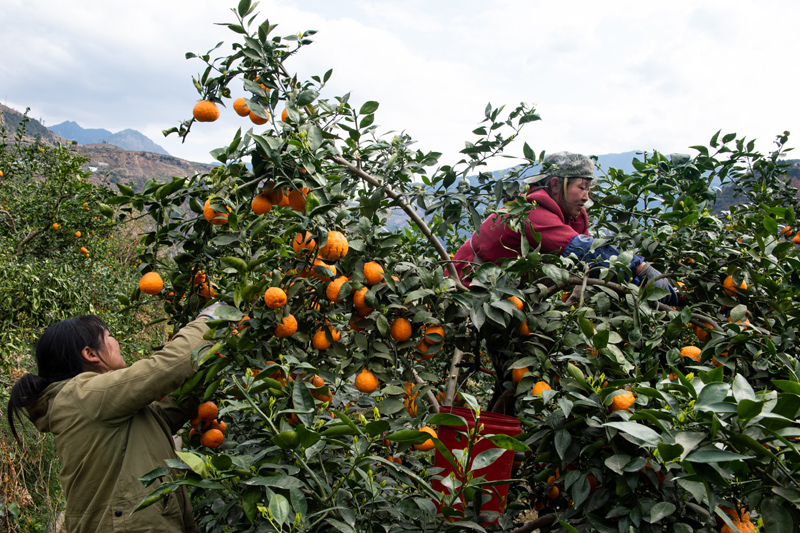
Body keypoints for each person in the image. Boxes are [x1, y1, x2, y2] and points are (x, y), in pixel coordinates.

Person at [7, 303, 227, 533]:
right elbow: (162, 368)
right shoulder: (84, 394)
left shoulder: (97, 405)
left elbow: (161, 416)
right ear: (90, 354)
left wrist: (206, 364)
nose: (116, 342)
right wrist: (209, 320)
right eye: (109, 336)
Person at [452, 151, 677, 303]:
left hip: (511, 294)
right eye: (582, 187)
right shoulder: (530, 211)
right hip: (469, 288)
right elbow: (582, 249)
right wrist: (639, 266)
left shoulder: (574, 213)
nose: (586, 196)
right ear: (556, 184)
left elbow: (588, 264)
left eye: (589, 188)